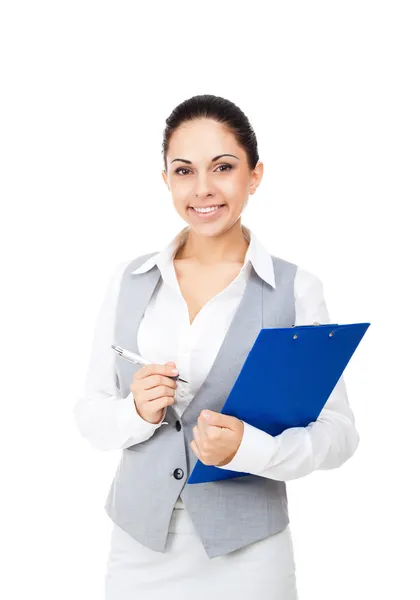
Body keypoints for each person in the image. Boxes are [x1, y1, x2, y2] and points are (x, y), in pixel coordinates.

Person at [73, 94, 360, 600]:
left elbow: (339, 435)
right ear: (165, 179)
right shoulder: (130, 280)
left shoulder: (296, 289)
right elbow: (90, 411)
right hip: (139, 548)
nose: (202, 189)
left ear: (255, 175)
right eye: (183, 171)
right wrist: (136, 413)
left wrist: (252, 450)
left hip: (249, 555)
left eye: (222, 167)